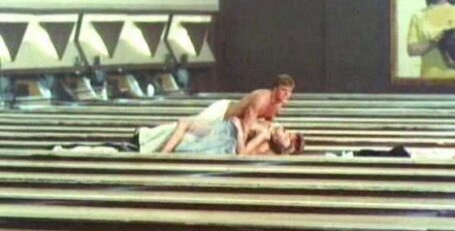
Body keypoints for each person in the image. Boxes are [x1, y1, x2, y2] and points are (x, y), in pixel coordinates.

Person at [52, 117, 305, 157]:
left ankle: (68, 150)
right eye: (286, 131)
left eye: (287, 136)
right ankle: (67, 149)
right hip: (162, 139)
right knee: (114, 148)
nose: (282, 131)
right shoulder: (229, 129)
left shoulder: (258, 143)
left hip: (168, 144)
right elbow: (185, 123)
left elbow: (241, 155)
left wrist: (254, 136)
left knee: (114, 150)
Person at [193, 74, 295, 137]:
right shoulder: (261, 99)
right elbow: (246, 126)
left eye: (289, 91)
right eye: (283, 90)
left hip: (228, 124)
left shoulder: (278, 105)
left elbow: (268, 124)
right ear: (275, 89)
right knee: (191, 128)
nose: (287, 94)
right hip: (221, 111)